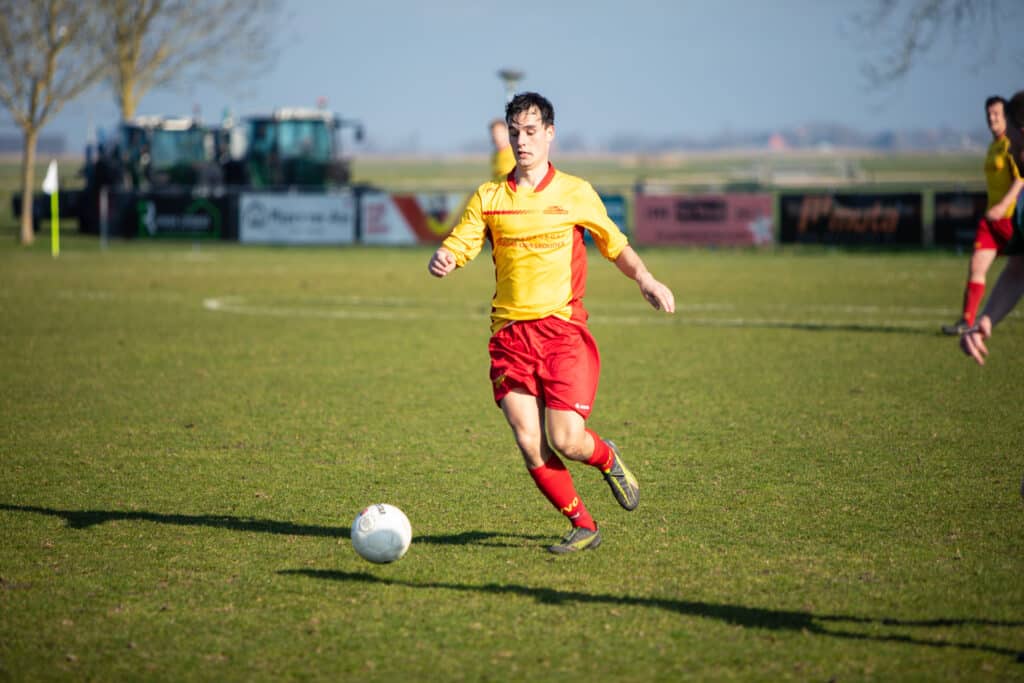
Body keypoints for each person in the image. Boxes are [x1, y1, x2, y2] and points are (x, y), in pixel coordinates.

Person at [428, 92, 676, 553]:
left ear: (549, 134)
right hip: (509, 337)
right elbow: (462, 241)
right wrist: (446, 256)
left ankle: (606, 457)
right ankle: (584, 525)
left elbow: (615, 244)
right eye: (515, 132)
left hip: (562, 334)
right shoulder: (490, 196)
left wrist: (645, 278)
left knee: (567, 440)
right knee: (528, 440)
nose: (522, 142)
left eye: (531, 132)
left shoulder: (575, 192)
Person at [942, 96, 1023, 335]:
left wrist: (1004, 205)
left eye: (997, 114)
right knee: (978, 265)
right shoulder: (993, 147)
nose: (992, 119)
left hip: (1010, 218)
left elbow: (1020, 179)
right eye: (989, 114)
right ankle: (968, 322)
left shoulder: (1010, 146)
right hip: (991, 220)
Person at [960, 89, 1024, 363]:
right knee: (977, 265)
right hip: (994, 220)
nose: (1009, 147)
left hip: (1004, 218)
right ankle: (967, 317)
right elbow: (1018, 271)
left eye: (1012, 137)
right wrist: (986, 320)